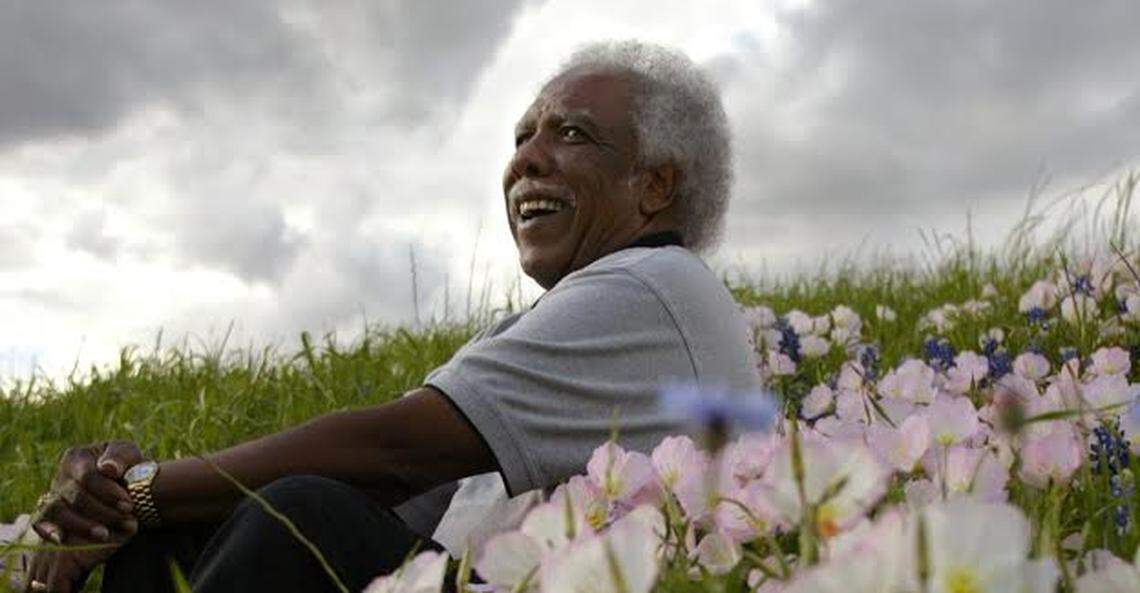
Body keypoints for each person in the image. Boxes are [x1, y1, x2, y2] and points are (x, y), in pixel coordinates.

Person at [24, 40, 760, 593]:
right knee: (196, 529)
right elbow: (389, 488)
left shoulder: (655, 285)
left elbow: (390, 451)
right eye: (521, 138)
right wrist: (141, 502)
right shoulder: (549, 324)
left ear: (655, 183)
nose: (526, 161)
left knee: (305, 515)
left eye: (571, 134)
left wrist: (141, 487)